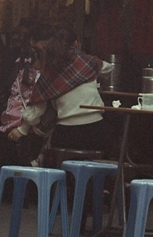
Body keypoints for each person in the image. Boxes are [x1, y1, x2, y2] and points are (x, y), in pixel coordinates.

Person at [13, 24, 107, 155]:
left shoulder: (50, 68)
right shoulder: (86, 63)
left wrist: (22, 130)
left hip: (67, 133)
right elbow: (108, 68)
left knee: (52, 153)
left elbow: (39, 107)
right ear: (76, 44)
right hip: (95, 130)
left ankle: (42, 165)